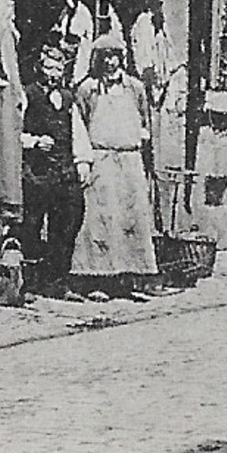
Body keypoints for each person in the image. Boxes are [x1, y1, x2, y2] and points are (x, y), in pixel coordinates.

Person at [70, 31, 159, 297]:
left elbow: (145, 121)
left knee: (132, 219)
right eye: (104, 56)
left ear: (122, 58)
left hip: (130, 160)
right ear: (96, 59)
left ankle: (131, 280)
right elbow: (80, 126)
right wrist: (84, 161)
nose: (110, 62)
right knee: (100, 220)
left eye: (115, 56)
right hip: (102, 160)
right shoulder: (87, 89)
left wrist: (142, 150)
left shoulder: (134, 87)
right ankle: (97, 280)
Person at [20, 39, 93, 297]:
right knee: (32, 224)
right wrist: (34, 141)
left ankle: (58, 282)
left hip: (65, 172)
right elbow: (12, 131)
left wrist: (83, 162)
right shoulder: (28, 94)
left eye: (58, 69)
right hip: (37, 173)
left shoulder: (68, 98)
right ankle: (29, 284)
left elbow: (78, 132)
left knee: (67, 224)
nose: (53, 74)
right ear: (40, 68)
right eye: (49, 68)